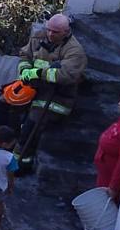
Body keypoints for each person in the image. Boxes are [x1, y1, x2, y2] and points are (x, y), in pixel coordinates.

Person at [14, 12, 88, 174]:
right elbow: (24, 55)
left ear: (66, 32)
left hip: (56, 98)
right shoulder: (38, 37)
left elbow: (65, 75)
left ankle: (21, 165)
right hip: (32, 89)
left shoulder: (75, 51)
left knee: (31, 125)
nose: (50, 34)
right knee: (4, 107)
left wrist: (38, 73)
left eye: (55, 32)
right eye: (49, 30)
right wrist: (25, 70)